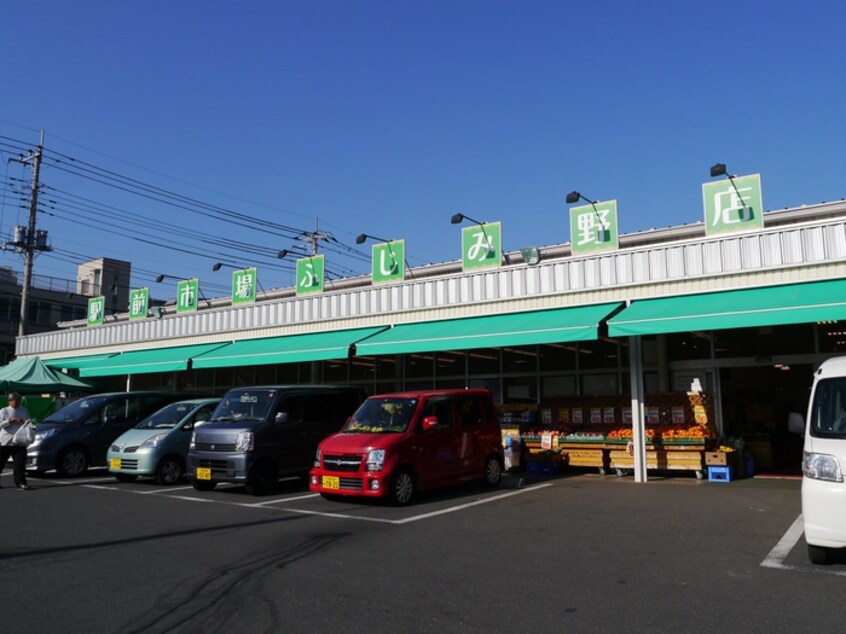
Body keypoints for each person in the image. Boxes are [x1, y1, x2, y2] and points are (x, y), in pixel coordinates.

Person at [0, 392, 33, 490]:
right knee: (0, 463)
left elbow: (29, 422)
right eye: (15, 400)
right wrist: (10, 421)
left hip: (20, 441)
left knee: (20, 464)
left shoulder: (24, 410)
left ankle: (21, 483)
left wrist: (26, 422)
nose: (17, 402)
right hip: (5, 441)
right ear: (9, 401)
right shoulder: (4, 411)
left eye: (19, 400)